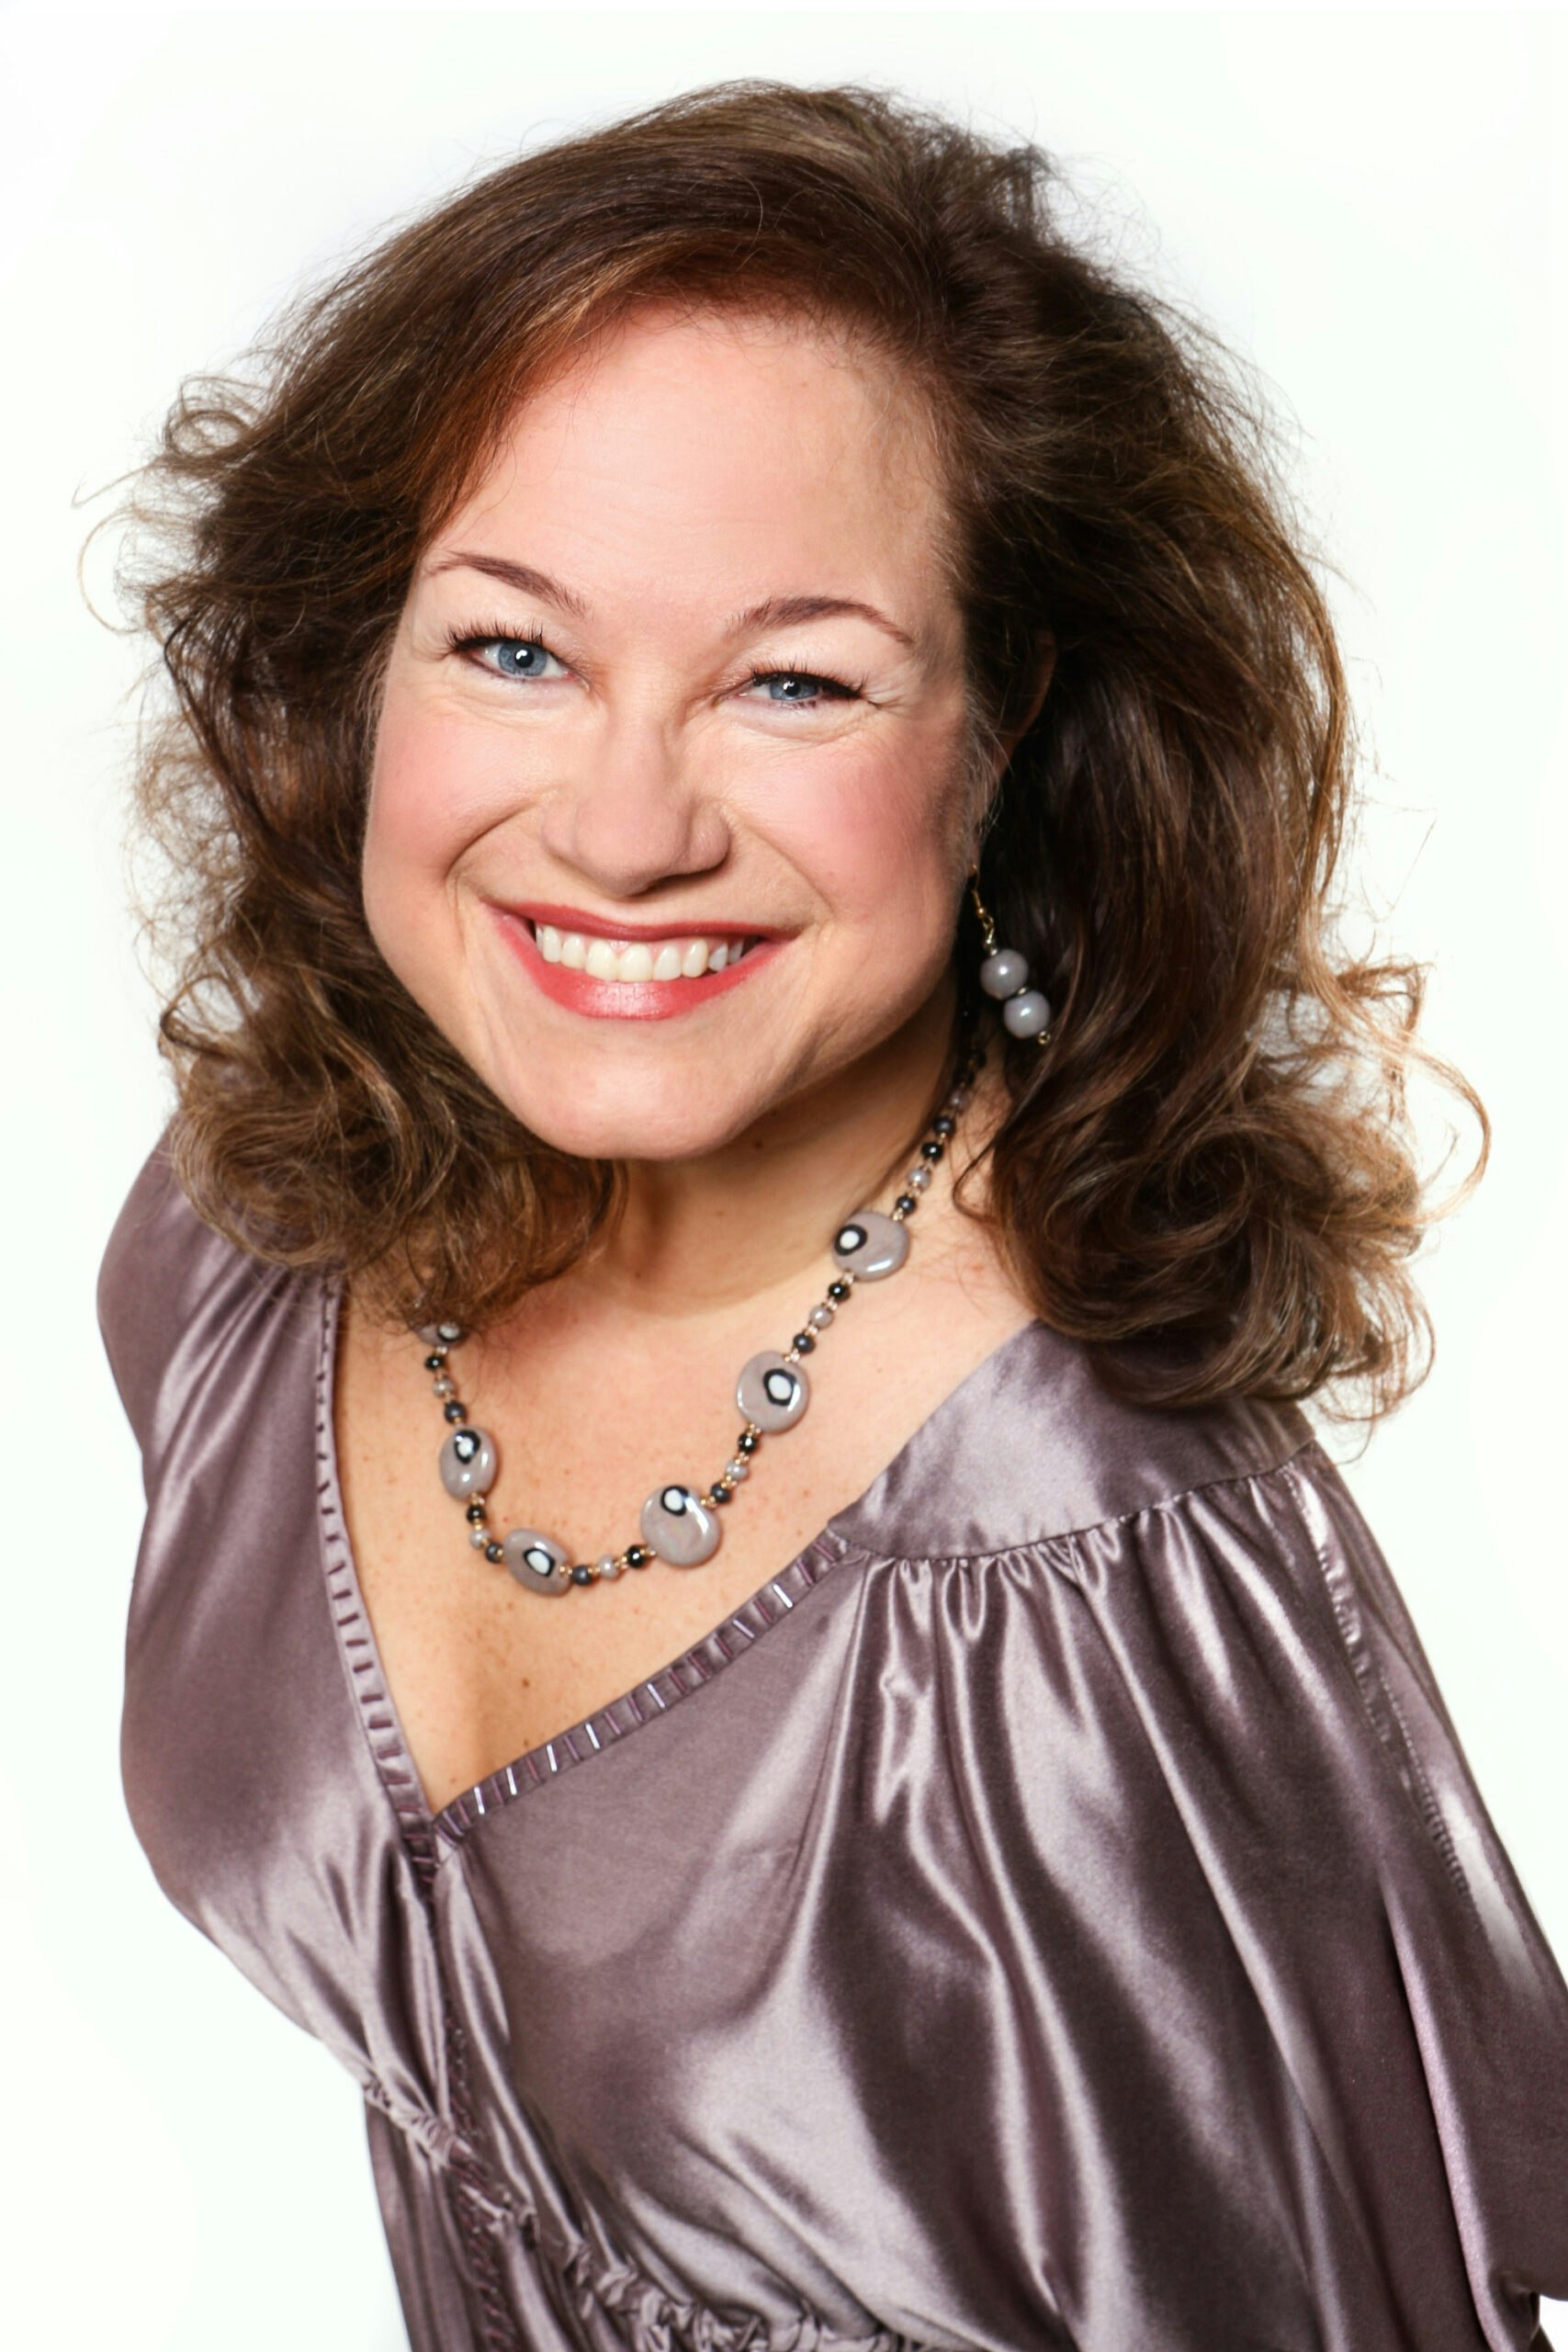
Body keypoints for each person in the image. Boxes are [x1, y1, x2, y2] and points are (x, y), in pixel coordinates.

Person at [97, 78, 1567, 2352]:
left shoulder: (1091, 1570)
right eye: (511, 647)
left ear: (997, 734)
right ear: (354, 654)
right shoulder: (243, 1245)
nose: (623, 826)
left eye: (791, 681)